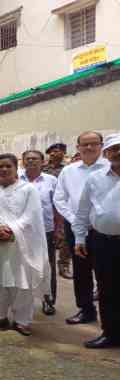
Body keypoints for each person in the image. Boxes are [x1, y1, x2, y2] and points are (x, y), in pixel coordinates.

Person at [0, 153, 50, 336]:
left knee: (21, 280)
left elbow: (31, 214)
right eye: (1, 166)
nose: (5, 169)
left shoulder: (27, 189)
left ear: (16, 168)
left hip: (20, 244)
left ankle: (22, 320)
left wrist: (10, 229)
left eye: (9, 166)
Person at [54, 131, 109, 325]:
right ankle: (86, 310)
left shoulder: (111, 168)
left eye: (94, 143)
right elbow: (59, 198)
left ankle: (110, 317)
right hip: (76, 228)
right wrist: (75, 220)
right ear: (77, 147)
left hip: (104, 229)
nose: (89, 147)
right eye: (84, 144)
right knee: (81, 270)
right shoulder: (69, 171)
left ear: (101, 146)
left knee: (106, 272)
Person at [73, 133, 120, 348]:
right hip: (103, 241)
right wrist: (80, 238)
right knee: (106, 289)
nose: (117, 152)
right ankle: (110, 333)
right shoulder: (95, 179)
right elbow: (83, 212)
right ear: (106, 153)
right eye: (113, 149)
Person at [20, 150, 62, 316]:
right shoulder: (16, 179)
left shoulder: (51, 181)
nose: (31, 161)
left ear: (43, 162)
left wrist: (59, 230)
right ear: (23, 161)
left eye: (35, 158)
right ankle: (23, 301)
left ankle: (48, 300)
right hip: (21, 231)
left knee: (46, 265)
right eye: (28, 158)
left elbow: (57, 207)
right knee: (21, 266)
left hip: (46, 231)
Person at [43, 143, 72, 280]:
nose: (54, 154)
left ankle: (64, 265)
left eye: (58, 151)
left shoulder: (68, 170)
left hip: (64, 206)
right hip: (47, 207)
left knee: (65, 236)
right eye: (52, 152)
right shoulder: (42, 169)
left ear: (63, 153)